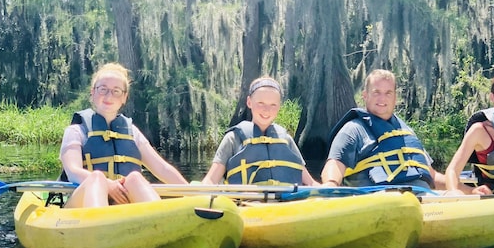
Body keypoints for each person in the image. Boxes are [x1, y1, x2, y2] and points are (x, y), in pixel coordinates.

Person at [60, 62, 188, 208]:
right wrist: (108, 184)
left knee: (135, 178)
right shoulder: (76, 131)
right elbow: (73, 171)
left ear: (124, 97)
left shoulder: (132, 132)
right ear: (93, 92)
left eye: (116, 91)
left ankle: (158, 219)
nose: (109, 96)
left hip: (123, 204)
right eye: (103, 89)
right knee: (97, 178)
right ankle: (98, 223)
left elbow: (162, 169)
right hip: (81, 206)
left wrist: (194, 194)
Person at [322, 69, 465, 191]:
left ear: (395, 97)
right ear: (365, 96)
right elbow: (335, 164)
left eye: (388, 93)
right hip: (380, 201)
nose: (382, 98)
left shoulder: (407, 131)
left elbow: (432, 176)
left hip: (422, 199)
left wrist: (467, 190)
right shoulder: (353, 130)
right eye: (376, 92)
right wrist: (330, 184)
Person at [201, 76, 319, 186]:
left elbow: (310, 183)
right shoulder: (232, 139)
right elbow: (211, 180)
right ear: (249, 102)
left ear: (279, 107)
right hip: (244, 203)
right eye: (260, 103)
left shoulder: (286, 140)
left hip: (284, 204)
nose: (266, 110)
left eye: (273, 105)